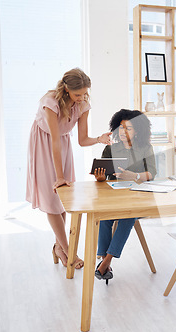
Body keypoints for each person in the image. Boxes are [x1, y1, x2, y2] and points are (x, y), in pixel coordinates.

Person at [26, 68, 112, 268]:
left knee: (62, 200)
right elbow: (53, 140)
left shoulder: (83, 105)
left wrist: (99, 139)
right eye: (77, 94)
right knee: (52, 196)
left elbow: (82, 140)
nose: (81, 98)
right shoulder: (50, 102)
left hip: (63, 146)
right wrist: (59, 176)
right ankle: (70, 251)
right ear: (66, 88)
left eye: (84, 93)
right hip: (44, 143)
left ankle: (59, 248)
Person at [93, 109, 157, 283]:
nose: (122, 132)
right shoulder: (110, 149)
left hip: (138, 197)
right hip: (115, 197)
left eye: (128, 128)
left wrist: (135, 176)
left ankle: (106, 261)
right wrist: (100, 178)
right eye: (120, 128)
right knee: (105, 217)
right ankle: (103, 261)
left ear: (137, 131)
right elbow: (103, 178)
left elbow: (152, 173)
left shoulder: (145, 148)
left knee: (127, 218)